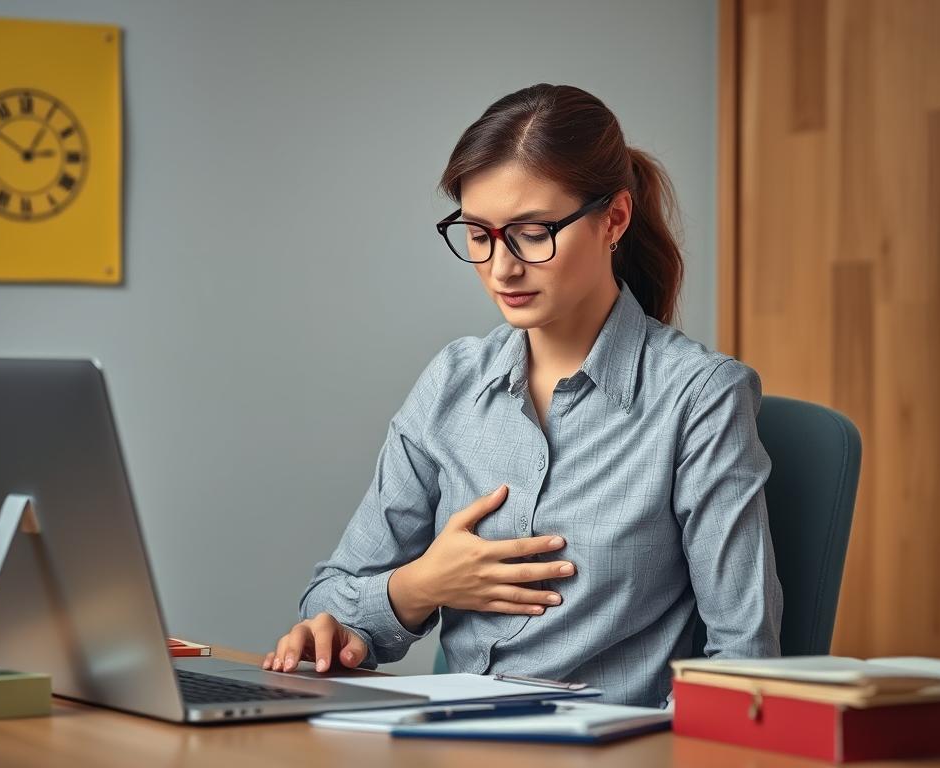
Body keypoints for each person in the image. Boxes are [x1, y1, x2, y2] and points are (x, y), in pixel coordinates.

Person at [261, 83, 783, 708]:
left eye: (533, 233)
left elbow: (744, 661)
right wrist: (423, 584)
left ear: (614, 219)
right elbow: (330, 606)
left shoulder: (700, 399)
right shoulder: (452, 382)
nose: (501, 268)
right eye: (478, 234)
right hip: (446, 741)